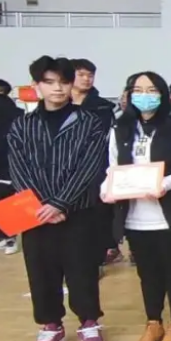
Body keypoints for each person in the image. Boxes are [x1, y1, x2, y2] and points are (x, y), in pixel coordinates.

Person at [8, 56, 109, 341]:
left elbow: (90, 167)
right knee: (41, 270)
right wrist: (42, 205)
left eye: (64, 82)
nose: (58, 88)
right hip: (35, 213)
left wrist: (60, 202)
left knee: (82, 268)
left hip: (78, 211)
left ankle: (89, 322)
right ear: (36, 85)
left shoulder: (89, 122)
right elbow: (18, 168)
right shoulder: (22, 125)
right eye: (50, 82)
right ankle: (50, 324)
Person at [102, 71, 171, 341]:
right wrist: (108, 188)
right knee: (148, 273)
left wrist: (165, 184)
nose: (144, 95)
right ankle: (153, 322)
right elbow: (112, 167)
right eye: (138, 90)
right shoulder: (120, 129)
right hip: (135, 215)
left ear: (162, 94)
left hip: (168, 215)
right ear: (129, 94)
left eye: (151, 90)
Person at [71, 59, 120, 267]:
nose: (86, 79)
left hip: (97, 166)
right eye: (81, 74)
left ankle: (100, 255)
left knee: (98, 212)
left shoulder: (102, 106)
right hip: (66, 169)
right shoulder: (58, 104)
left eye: (90, 75)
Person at [0, 87, 23, 254]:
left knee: (4, 202)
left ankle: (10, 240)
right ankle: (0, 236)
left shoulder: (14, 127)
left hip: (8, 172)